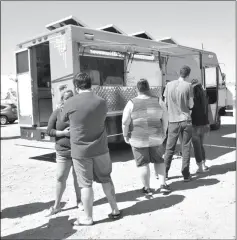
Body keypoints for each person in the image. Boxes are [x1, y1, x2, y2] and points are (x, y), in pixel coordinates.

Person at [62, 72, 120, 226]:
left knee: (85, 184)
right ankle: (115, 209)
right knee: (106, 179)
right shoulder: (101, 101)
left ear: (76, 86)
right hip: (101, 148)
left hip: (80, 151)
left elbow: (63, 119)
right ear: (91, 84)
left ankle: (87, 218)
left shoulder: (70, 102)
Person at [122, 79, 171, 195]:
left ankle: (147, 188)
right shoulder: (159, 101)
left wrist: (125, 135)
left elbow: (125, 122)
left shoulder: (131, 103)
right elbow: (165, 118)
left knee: (142, 164)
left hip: (138, 139)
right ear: (149, 88)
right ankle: (163, 184)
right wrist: (164, 132)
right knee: (159, 160)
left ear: (137, 89)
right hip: (156, 137)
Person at [46, 90, 83, 216]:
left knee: (78, 178)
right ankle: (57, 206)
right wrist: (63, 133)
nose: (70, 99)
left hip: (78, 151)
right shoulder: (57, 113)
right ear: (62, 99)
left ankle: (80, 202)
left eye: (72, 97)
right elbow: (49, 131)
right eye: (67, 97)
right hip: (63, 152)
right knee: (61, 177)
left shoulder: (78, 112)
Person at [163, 65, 194, 182]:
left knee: (169, 148)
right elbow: (191, 105)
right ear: (188, 74)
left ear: (179, 73)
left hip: (172, 120)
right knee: (185, 147)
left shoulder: (168, 85)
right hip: (185, 119)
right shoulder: (188, 86)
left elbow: (165, 102)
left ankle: (165, 173)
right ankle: (186, 174)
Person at [191, 79, 210, 173]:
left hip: (194, 125)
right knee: (201, 145)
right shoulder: (204, 98)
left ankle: (200, 167)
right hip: (204, 125)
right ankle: (204, 164)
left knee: (196, 147)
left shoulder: (192, 99)